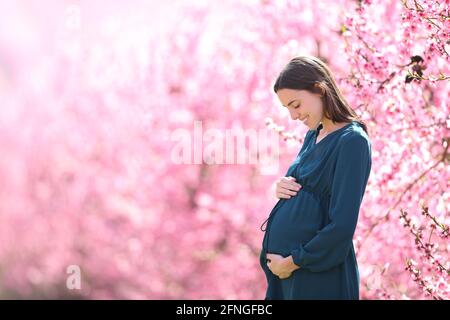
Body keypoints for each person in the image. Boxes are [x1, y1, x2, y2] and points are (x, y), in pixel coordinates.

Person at [259, 55, 372, 300]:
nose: (292, 116)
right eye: (287, 108)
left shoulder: (352, 141)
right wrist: (281, 186)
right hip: (291, 277)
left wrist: (292, 262)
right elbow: (304, 187)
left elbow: (342, 225)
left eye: (296, 105)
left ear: (319, 89)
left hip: (317, 276)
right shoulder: (314, 135)